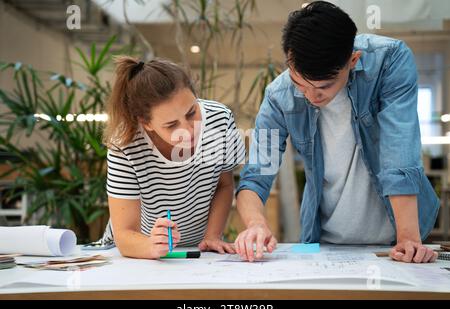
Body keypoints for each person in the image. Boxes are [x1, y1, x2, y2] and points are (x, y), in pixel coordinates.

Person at [234, 1, 439, 263]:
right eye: (300, 83)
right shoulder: (279, 96)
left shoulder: (389, 61)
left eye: (323, 87)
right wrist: (255, 223)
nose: (309, 96)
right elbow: (256, 176)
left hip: (400, 235)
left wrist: (408, 238)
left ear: (353, 60)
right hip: (325, 241)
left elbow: (398, 150)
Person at [101, 56, 245, 259]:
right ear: (146, 123)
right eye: (171, 125)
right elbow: (124, 236)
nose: (188, 130)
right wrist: (151, 245)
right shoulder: (125, 144)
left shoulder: (219, 120)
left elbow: (224, 185)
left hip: (197, 250)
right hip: (137, 252)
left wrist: (212, 235)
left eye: (191, 112)